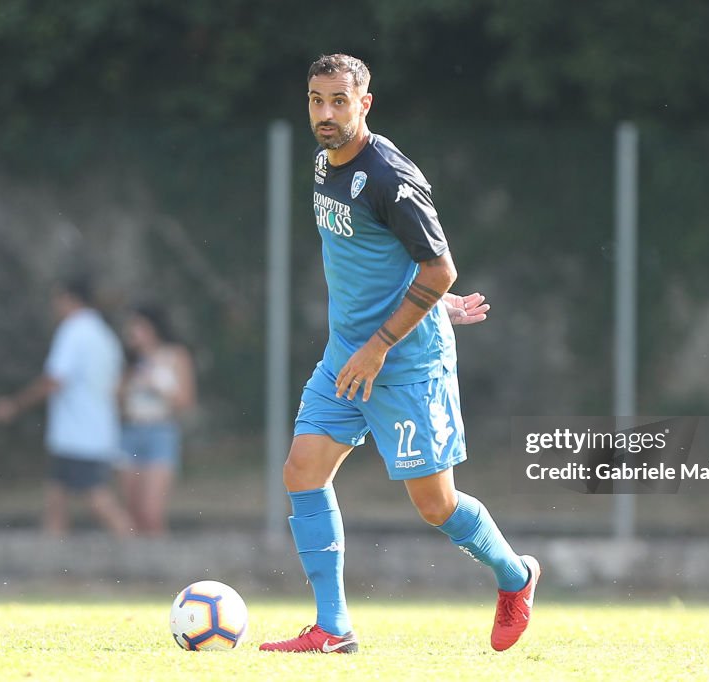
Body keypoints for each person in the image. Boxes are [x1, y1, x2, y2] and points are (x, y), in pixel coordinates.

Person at [259, 54, 539, 655]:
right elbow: (393, 262)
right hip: (347, 356)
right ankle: (333, 629)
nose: (325, 113)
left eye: (339, 101)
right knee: (301, 473)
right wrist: (417, 312)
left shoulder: (387, 176)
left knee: (435, 506)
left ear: (365, 103)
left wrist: (386, 342)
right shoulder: (322, 162)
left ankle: (516, 577)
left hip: (403, 363)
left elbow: (441, 268)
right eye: (315, 100)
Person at [0, 277, 132, 537]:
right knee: (55, 498)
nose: (54, 306)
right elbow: (118, 383)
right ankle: (52, 563)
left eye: (57, 299)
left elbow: (54, 380)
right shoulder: (104, 334)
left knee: (97, 499)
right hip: (91, 431)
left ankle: (139, 553)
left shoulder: (74, 331)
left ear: (70, 299)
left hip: (79, 434)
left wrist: (15, 404)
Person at [118, 304, 196, 535]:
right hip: (130, 431)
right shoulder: (130, 361)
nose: (132, 332)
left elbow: (186, 400)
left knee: (151, 512)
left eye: (137, 326)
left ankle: (162, 566)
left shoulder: (174, 356)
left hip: (160, 432)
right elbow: (118, 401)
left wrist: (158, 387)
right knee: (132, 513)